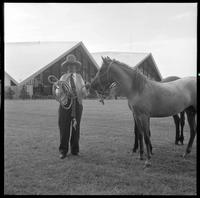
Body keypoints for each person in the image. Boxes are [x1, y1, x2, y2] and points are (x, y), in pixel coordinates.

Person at [58, 54, 90, 159]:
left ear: (76, 67)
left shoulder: (80, 78)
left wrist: (87, 88)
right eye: (69, 65)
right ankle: (63, 151)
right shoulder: (62, 78)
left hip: (77, 104)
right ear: (67, 67)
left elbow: (84, 93)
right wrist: (63, 90)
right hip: (65, 104)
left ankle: (75, 150)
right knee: (64, 128)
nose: (71, 67)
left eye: (73, 65)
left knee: (76, 128)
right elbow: (57, 93)